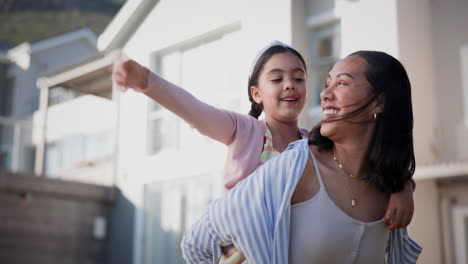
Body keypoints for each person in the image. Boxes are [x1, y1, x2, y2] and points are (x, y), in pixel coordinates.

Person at [113, 43, 416, 263]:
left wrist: (403, 185)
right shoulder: (244, 130)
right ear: (256, 93)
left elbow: (370, 162)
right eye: (276, 78)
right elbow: (194, 110)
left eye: (298, 78)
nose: (290, 85)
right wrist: (146, 81)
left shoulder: (310, 144)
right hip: (240, 251)